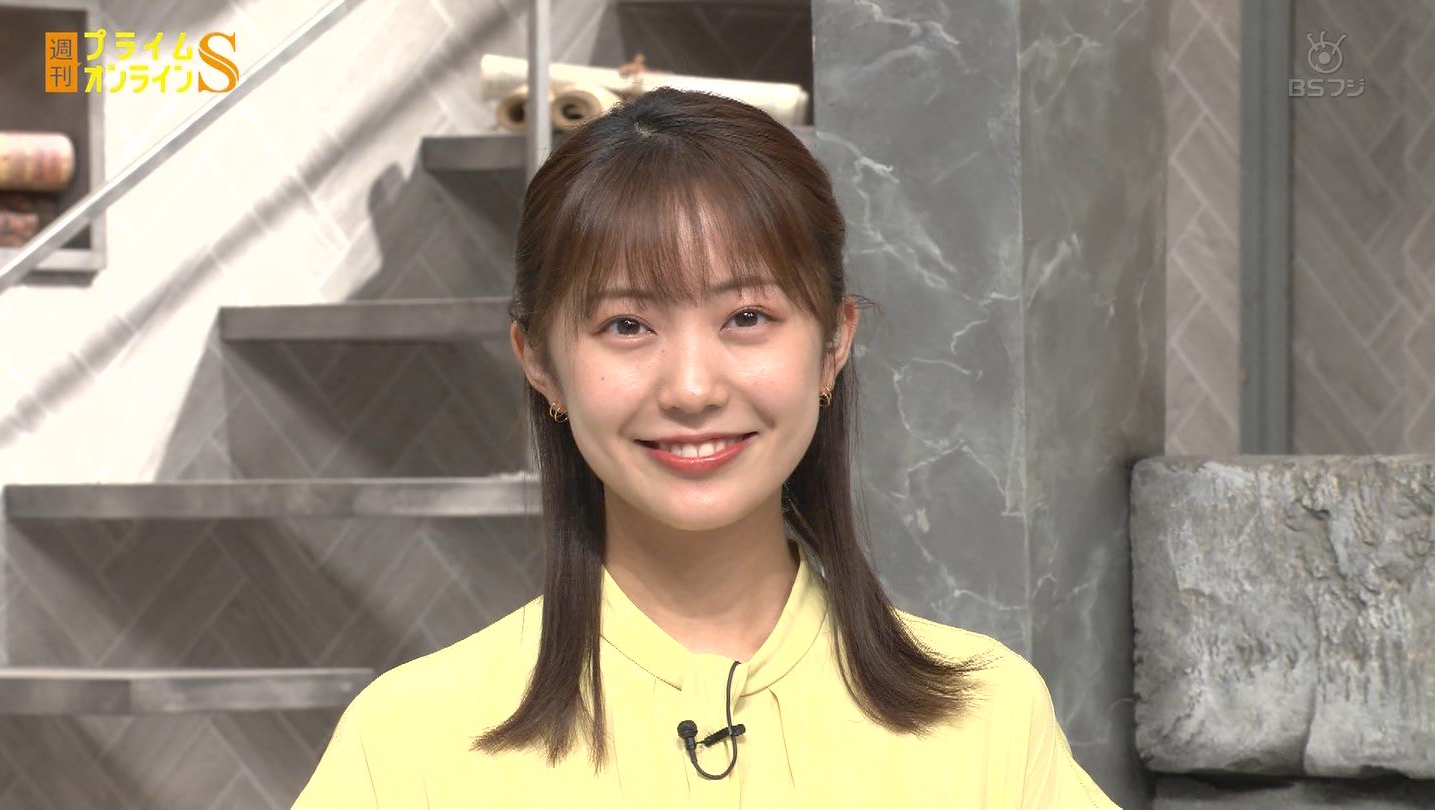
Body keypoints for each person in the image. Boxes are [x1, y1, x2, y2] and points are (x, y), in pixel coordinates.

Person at [293, 87, 1119, 809]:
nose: (691, 388)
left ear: (834, 343)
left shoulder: (987, 719)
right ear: (540, 362)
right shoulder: (407, 744)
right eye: (627, 325)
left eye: (747, 318)